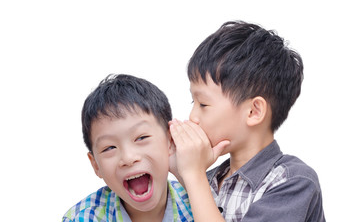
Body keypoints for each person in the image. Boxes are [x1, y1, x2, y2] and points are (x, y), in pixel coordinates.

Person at [169, 20, 325, 221]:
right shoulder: (207, 181)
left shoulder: (293, 181)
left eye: (203, 104)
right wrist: (181, 170)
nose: (193, 117)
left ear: (253, 111)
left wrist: (193, 175)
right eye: (193, 101)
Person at [62, 74, 193, 222]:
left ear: (170, 141)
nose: (128, 158)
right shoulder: (82, 218)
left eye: (141, 138)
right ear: (95, 165)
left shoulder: (199, 201)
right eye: (109, 148)